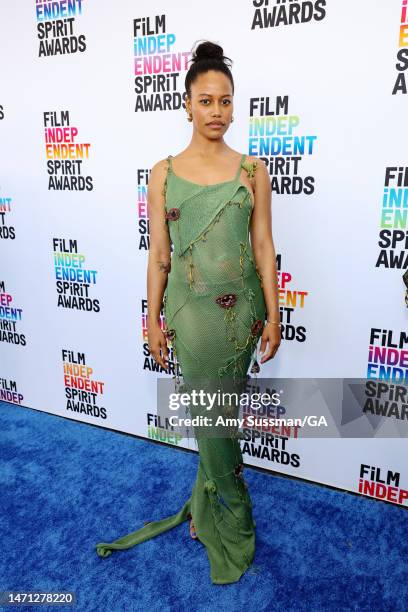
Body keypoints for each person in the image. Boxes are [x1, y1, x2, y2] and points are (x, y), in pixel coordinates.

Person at [95, 40, 281, 585]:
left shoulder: (252, 170)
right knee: (212, 420)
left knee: (217, 420)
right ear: (187, 104)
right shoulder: (162, 172)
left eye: (226, 101)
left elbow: (265, 246)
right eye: (206, 101)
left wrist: (273, 315)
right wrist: (150, 318)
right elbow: (159, 254)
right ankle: (232, 516)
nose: (217, 112)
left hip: (240, 313)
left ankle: (216, 508)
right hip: (189, 313)